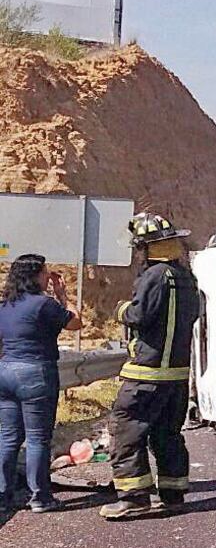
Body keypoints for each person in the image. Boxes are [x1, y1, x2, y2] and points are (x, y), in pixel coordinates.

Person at [100, 213, 199, 519]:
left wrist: (122, 310)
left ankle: (133, 498)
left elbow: (140, 315)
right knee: (166, 433)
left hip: (147, 374)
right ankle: (172, 493)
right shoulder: (186, 278)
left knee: (125, 428)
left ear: (146, 247)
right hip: (177, 375)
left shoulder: (155, 276)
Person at [0, 254, 82, 513]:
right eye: (45, 273)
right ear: (35, 276)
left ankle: (3, 496)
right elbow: (76, 323)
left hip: (5, 372)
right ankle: (40, 497)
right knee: (37, 438)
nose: (48, 277)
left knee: (8, 437)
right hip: (36, 372)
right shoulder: (44, 305)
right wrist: (62, 296)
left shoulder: (4, 306)